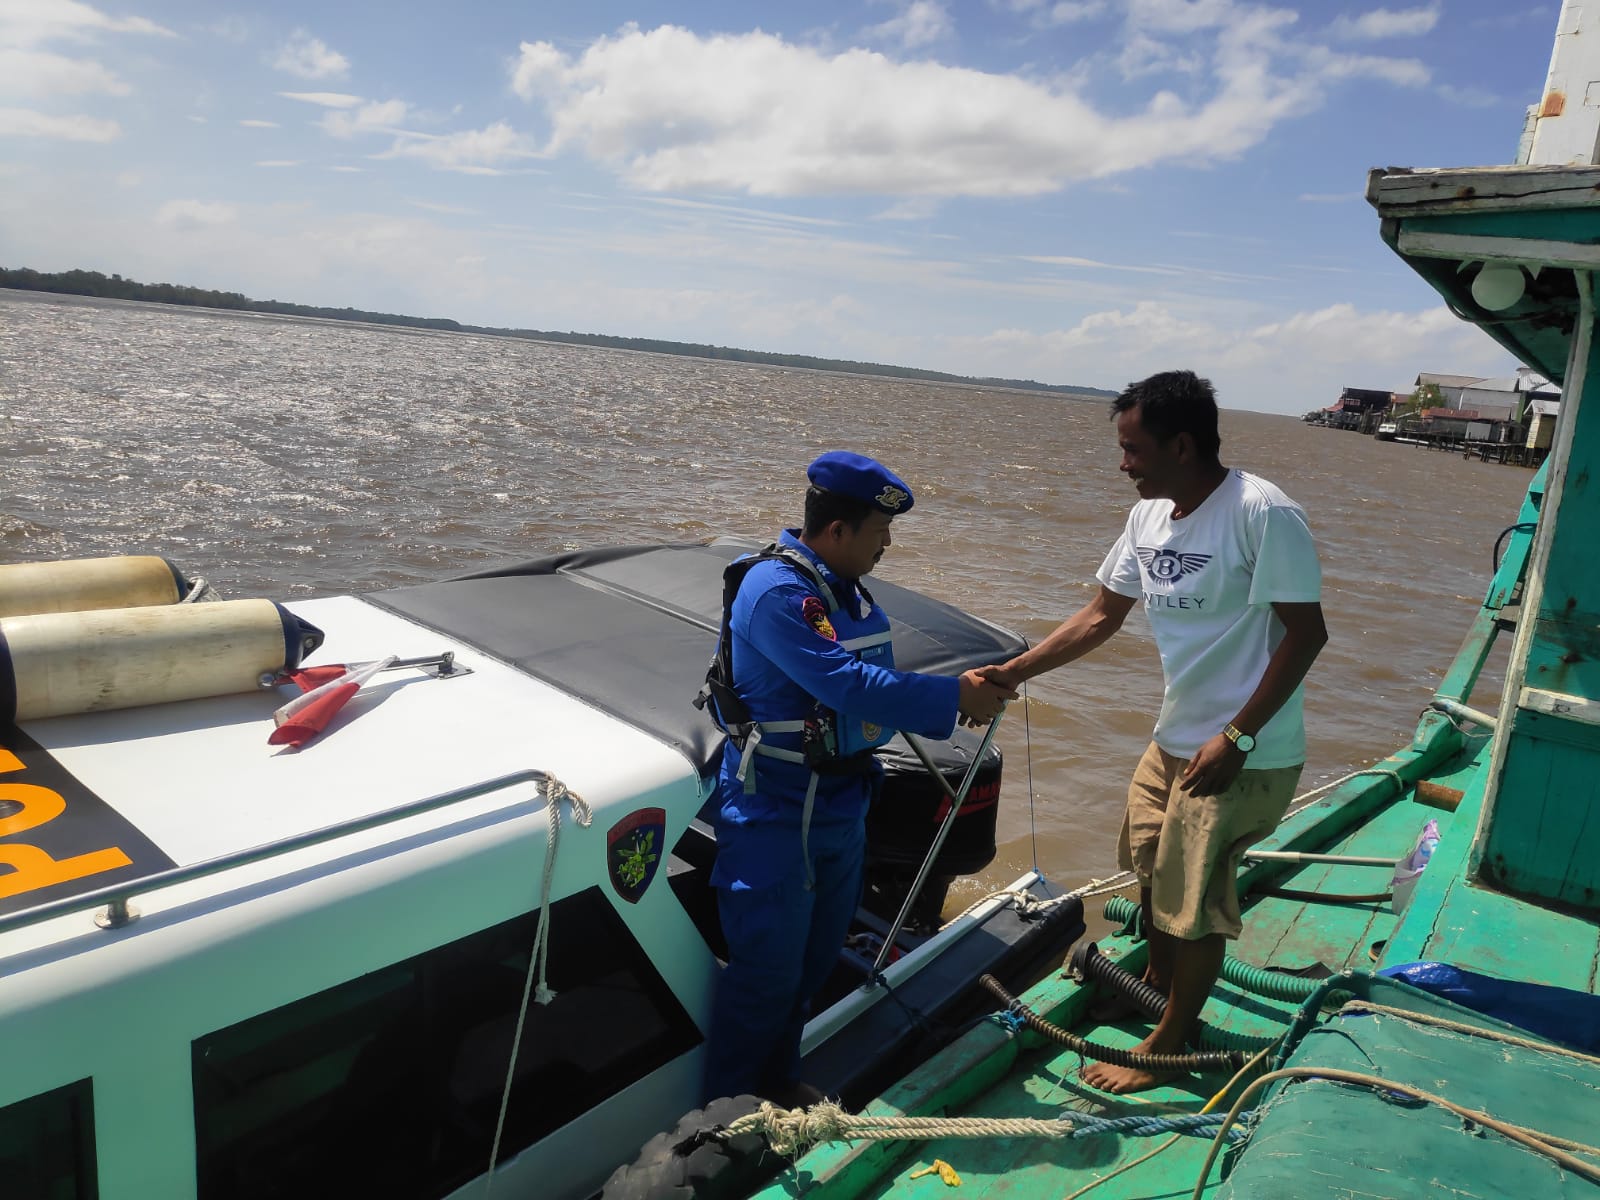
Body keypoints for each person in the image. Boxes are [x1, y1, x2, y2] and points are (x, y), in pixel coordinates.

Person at [982, 370, 1327, 1094]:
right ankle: (1156, 988)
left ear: (1181, 443)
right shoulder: (1148, 518)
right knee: (1147, 865)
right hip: (1173, 740)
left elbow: (1306, 635)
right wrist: (1012, 673)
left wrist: (1235, 739)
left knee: (1192, 900)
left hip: (1242, 748)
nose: (1123, 464)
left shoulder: (1262, 513)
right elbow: (1100, 617)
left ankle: (1169, 1041)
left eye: (1133, 449)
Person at [698, 450, 1016, 1106]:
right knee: (766, 975)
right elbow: (844, 684)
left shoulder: (846, 590)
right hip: (776, 814)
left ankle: (777, 1086)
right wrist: (952, 697)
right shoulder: (777, 592)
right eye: (879, 532)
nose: (888, 544)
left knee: (813, 968)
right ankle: (725, 1120)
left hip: (841, 803)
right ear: (837, 531)